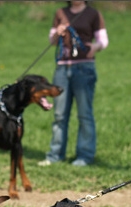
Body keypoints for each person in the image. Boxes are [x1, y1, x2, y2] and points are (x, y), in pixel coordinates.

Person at [38, 1, 108, 167]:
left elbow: (103, 41)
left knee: (84, 114)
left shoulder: (93, 14)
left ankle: (84, 156)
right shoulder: (60, 13)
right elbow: (52, 40)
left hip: (84, 68)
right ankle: (55, 155)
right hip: (62, 68)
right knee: (59, 115)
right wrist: (58, 33)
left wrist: (95, 47)